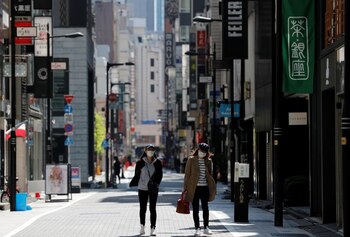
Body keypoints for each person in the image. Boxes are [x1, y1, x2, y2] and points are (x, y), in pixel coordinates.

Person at [130, 144, 163, 236]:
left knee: (153, 208)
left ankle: (153, 228)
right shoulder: (140, 162)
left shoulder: (158, 163)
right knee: (142, 208)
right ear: (145, 151)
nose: (151, 151)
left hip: (153, 188)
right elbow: (137, 174)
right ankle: (142, 227)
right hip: (142, 188)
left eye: (152, 150)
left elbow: (160, 175)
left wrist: (156, 184)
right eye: (149, 149)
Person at [183, 143, 216, 236]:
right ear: (198, 150)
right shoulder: (191, 160)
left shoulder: (208, 161)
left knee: (205, 208)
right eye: (201, 151)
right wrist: (185, 188)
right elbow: (187, 175)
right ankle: (197, 228)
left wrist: (212, 186)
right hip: (194, 188)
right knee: (196, 208)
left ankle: (206, 227)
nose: (202, 153)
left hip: (205, 187)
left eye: (204, 152)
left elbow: (210, 175)